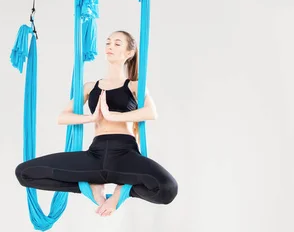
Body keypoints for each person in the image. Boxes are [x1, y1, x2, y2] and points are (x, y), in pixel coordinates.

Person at [15, 30, 178, 216]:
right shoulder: (90, 87)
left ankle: (121, 192)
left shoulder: (134, 86)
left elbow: (151, 112)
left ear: (129, 53)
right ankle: (91, 187)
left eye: (117, 44)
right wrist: (91, 118)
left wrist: (113, 115)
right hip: (95, 155)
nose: (110, 46)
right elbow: (62, 117)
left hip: (124, 155)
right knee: (24, 173)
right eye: (108, 42)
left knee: (167, 189)